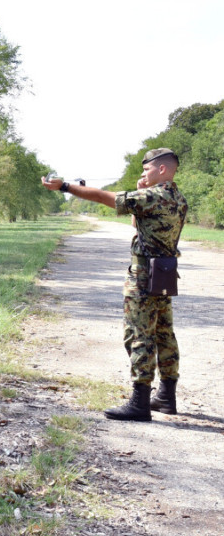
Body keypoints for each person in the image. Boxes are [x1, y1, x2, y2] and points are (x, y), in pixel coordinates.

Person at [42, 148, 187, 421]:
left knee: (139, 335)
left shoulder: (152, 196)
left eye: (147, 170)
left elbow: (101, 196)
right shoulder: (177, 198)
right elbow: (137, 223)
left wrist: (64, 187)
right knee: (164, 333)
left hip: (143, 276)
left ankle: (140, 403)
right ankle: (166, 397)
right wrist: (140, 188)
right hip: (164, 273)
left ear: (162, 169)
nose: (143, 174)